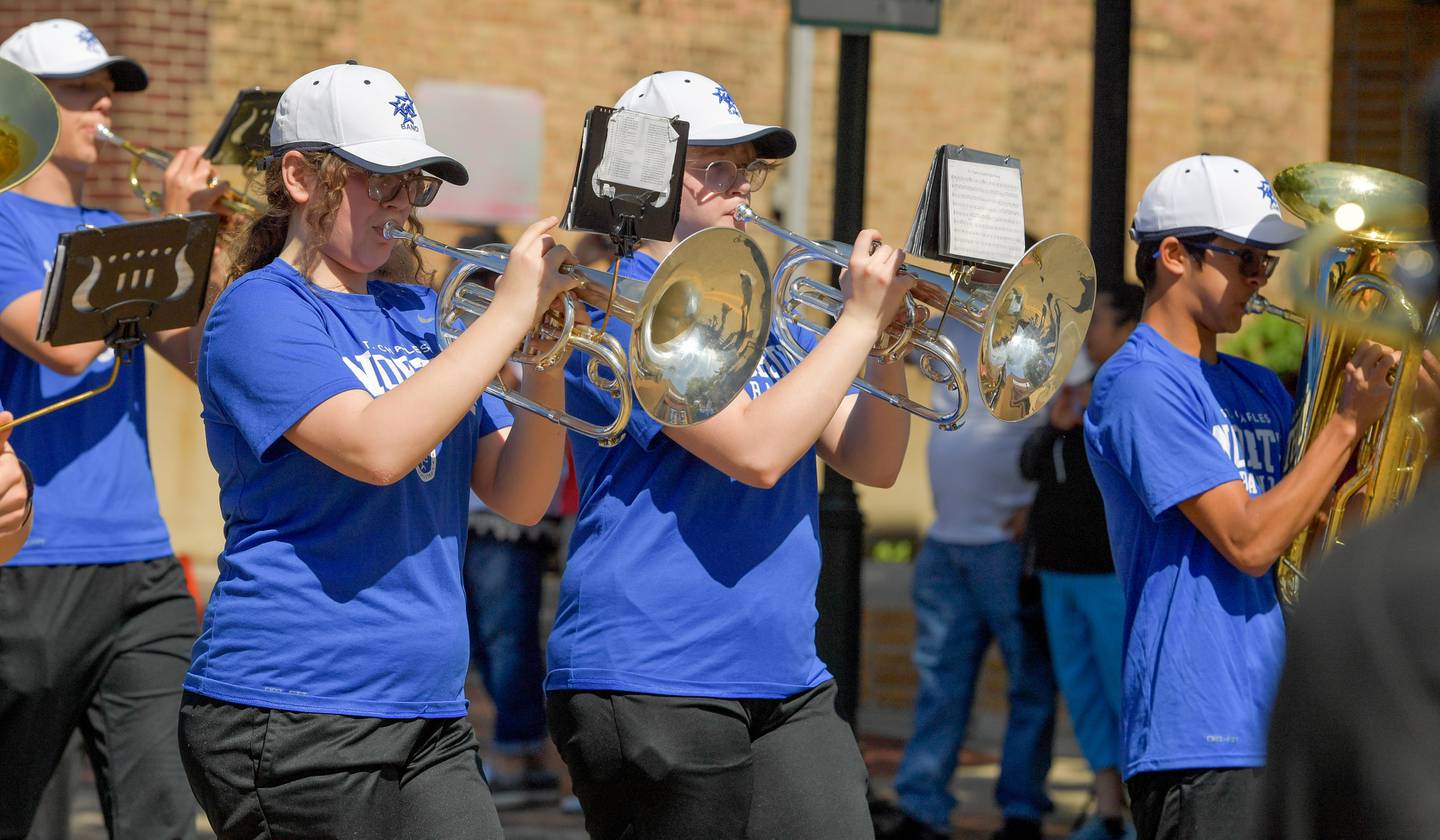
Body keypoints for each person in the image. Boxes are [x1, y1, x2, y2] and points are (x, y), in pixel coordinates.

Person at [175, 62, 575, 839]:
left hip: (427, 709)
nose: (401, 207)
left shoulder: (424, 315)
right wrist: (507, 316)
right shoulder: (257, 311)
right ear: (299, 175)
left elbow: (520, 495)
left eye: (413, 187)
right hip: (293, 708)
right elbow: (376, 447)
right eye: (377, 182)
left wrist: (549, 357)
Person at [544, 70, 913, 840]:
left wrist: (887, 344)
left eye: (746, 167)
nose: (739, 186)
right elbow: (756, 452)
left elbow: (872, 458)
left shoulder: (767, 309)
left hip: (783, 672)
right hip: (655, 671)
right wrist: (854, 324)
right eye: (714, 166)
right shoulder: (610, 304)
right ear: (644, 173)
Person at [1083, 153, 1397, 840]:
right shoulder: (1139, 383)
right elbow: (1249, 541)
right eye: (1246, 260)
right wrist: (1345, 424)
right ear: (1173, 254)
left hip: (1285, 717)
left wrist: (1407, 406)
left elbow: (1313, 525)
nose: (1259, 279)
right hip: (1199, 730)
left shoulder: (1254, 384)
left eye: (1267, 264)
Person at [0, 18, 228, 840]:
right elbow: (60, 343)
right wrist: (166, 237)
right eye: (77, 90)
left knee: (165, 813)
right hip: (29, 564)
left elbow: (203, 360)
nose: (103, 104)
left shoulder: (114, 234)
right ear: (20, 109)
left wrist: (201, 239)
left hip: (144, 565)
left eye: (107, 89)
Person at [877, 317, 1058, 840]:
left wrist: (1040, 507)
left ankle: (1022, 813)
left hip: (1006, 545)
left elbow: (1076, 413)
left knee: (1029, 683)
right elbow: (889, 341)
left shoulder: (1045, 329)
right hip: (947, 539)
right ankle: (922, 807)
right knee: (940, 682)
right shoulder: (948, 323)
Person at [1019, 281, 1144, 840]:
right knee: (1085, 693)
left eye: (1097, 322)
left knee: (1126, 695)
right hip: (1058, 570)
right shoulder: (1076, 390)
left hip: (1108, 574)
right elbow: (1029, 465)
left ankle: (1149, 811)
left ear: (1127, 328)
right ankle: (1108, 810)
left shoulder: (1141, 388)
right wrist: (1056, 425)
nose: (1086, 333)